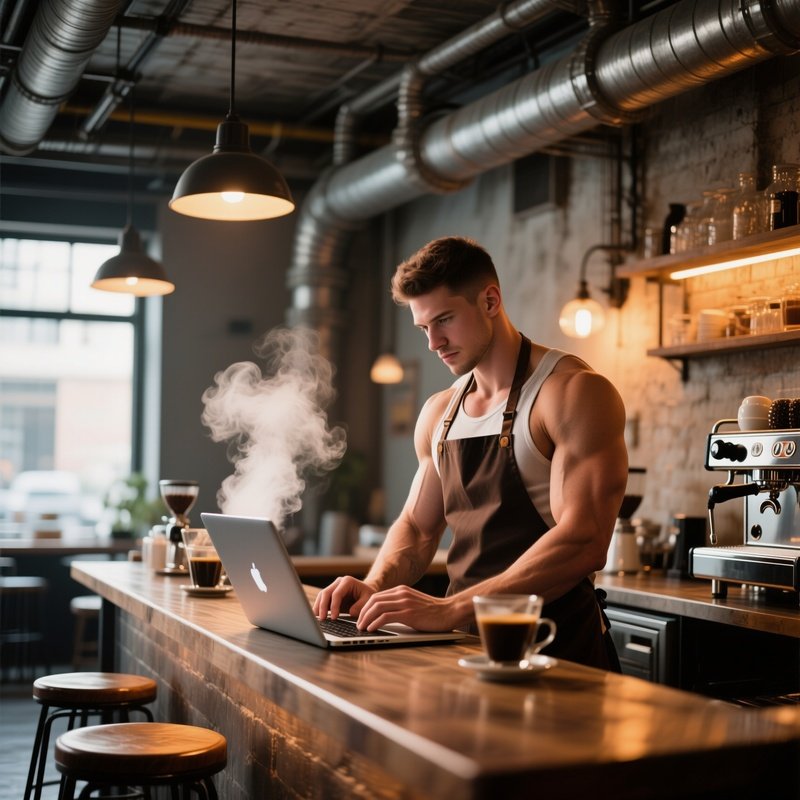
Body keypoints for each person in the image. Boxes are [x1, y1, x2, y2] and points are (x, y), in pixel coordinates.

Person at [313, 236, 628, 669]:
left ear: (491, 301)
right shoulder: (440, 412)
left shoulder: (572, 393)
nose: (434, 343)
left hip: (556, 653)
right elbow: (418, 529)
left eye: (444, 320)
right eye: (424, 328)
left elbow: (585, 540)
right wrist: (374, 586)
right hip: (463, 652)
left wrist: (451, 609)